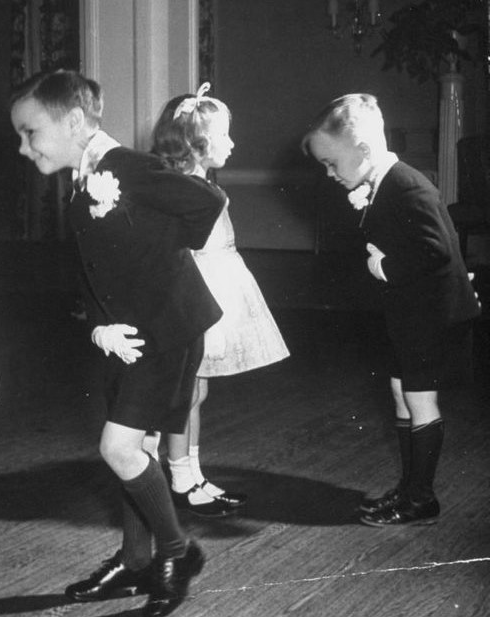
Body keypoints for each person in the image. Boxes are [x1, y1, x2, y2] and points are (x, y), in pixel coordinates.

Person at [10, 70, 223, 617]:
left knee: (119, 448)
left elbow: (206, 201)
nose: (22, 145)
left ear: (74, 122)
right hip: (123, 335)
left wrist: (159, 263)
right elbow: (93, 265)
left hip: (166, 327)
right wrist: (97, 326)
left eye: (30, 132)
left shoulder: (124, 166)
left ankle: (178, 553)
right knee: (138, 448)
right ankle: (134, 560)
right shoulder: (84, 177)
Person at [301, 93, 480, 526]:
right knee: (402, 393)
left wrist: (384, 266)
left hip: (431, 317)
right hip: (411, 314)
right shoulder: (380, 183)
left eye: (332, 163)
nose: (328, 173)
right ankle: (408, 489)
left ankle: (421, 498)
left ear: (362, 150)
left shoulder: (408, 185)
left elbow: (435, 250)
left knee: (420, 399)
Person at [150, 84, 290, 517]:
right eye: (224, 136)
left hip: (217, 285)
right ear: (197, 144)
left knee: (197, 390)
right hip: (196, 292)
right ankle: (179, 477)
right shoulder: (183, 189)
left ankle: (191, 473)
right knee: (185, 391)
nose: (231, 143)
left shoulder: (202, 183)